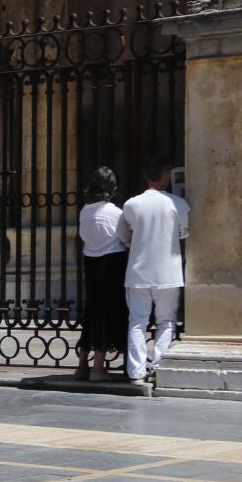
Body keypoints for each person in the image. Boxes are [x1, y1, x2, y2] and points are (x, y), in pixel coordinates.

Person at [117, 156, 189, 383]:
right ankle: (159, 365)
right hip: (169, 272)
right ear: (167, 176)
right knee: (166, 321)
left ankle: (136, 371)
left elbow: (123, 236)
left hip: (138, 272)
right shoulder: (178, 204)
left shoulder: (131, 204)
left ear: (146, 177)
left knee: (137, 322)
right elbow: (184, 235)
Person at [75, 167, 127, 380]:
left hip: (91, 264)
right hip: (112, 264)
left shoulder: (85, 211)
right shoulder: (115, 213)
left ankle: (82, 365)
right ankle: (98, 367)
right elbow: (125, 238)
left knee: (92, 312)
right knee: (107, 313)